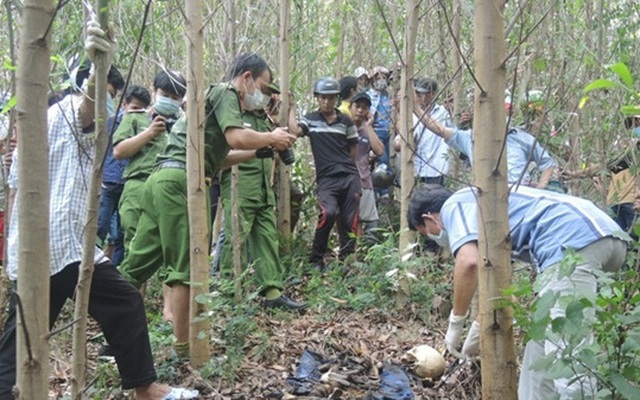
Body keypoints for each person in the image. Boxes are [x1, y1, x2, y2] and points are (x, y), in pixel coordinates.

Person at [0, 21, 197, 400]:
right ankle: (146, 388)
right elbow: (87, 112)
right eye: (106, 92)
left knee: (21, 332)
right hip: (60, 244)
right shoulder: (69, 111)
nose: (107, 101)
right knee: (123, 302)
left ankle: (143, 387)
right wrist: (96, 71)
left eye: (111, 94)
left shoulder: (39, 121)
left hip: (49, 245)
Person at [118, 52, 296, 356]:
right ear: (247, 79)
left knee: (137, 264)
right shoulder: (227, 92)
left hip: (160, 180)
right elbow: (237, 137)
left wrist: (260, 151)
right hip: (179, 184)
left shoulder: (212, 100)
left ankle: (113, 335)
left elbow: (220, 157)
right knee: (185, 268)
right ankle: (185, 348)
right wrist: (272, 136)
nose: (263, 96)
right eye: (265, 88)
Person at [408, 184, 628, 399]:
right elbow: (505, 295)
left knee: (566, 348)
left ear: (429, 219)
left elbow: (468, 263)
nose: (434, 239)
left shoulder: (453, 206)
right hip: (604, 237)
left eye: (426, 233)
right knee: (540, 349)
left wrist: (455, 323)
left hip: (571, 241)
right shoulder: (483, 211)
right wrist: (474, 339)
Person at [217, 82, 306, 310]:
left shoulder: (264, 120)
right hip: (241, 186)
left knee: (267, 237)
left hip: (264, 187)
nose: (266, 97)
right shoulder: (234, 117)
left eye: (270, 94)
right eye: (265, 92)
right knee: (234, 238)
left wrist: (277, 119)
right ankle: (226, 293)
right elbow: (224, 154)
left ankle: (272, 292)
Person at [114, 71, 186, 322]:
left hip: (170, 188)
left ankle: (169, 313)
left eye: (176, 97)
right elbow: (119, 151)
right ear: (154, 91)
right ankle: (132, 312)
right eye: (165, 95)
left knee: (172, 248)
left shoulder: (183, 123)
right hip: (137, 185)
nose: (170, 100)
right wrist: (149, 133)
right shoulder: (135, 118)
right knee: (136, 249)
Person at [289, 77, 361, 271]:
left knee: (349, 219)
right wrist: (291, 108)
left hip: (348, 176)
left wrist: (349, 170)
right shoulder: (311, 119)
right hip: (327, 179)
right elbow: (295, 131)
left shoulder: (345, 121)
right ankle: (316, 258)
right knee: (327, 213)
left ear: (337, 98)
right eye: (323, 97)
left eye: (331, 98)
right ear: (317, 98)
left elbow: (352, 149)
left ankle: (346, 261)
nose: (327, 101)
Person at [417, 96, 557, 188]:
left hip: (522, 194)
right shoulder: (471, 137)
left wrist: (540, 188)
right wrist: (414, 107)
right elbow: (440, 130)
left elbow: (547, 163)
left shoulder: (523, 138)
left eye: (505, 110)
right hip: (485, 195)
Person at [98, 85, 151, 266]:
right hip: (107, 184)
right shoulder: (112, 123)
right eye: (134, 108)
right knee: (99, 228)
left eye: (141, 109)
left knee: (122, 235)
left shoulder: (146, 125)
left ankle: (116, 274)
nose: (137, 113)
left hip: (128, 186)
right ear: (124, 105)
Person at [562, 115, 640, 236]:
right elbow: (597, 168)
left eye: (638, 125)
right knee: (617, 241)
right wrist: (572, 174)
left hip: (633, 203)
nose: (635, 129)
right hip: (615, 205)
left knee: (634, 242)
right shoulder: (620, 156)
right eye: (633, 126)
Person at [393, 77, 452, 186]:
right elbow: (397, 144)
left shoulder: (443, 113)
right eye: (417, 93)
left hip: (437, 170)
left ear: (432, 94)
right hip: (416, 171)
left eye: (423, 93)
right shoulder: (410, 115)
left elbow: (451, 135)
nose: (419, 96)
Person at [349, 92, 384, 241]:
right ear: (350, 107)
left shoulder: (366, 131)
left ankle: (363, 256)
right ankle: (351, 255)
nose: (360, 111)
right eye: (357, 106)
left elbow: (380, 150)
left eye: (364, 108)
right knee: (350, 221)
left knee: (367, 221)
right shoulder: (343, 128)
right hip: (346, 182)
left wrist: (368, 126)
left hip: (364, 181)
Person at [367, 67, 393, 194]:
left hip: (390, 132)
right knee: (382, 161)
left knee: (388, 162)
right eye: (378, 78)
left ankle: (385, 189)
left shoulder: (388, 96)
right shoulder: (369, 95)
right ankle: (381, 191)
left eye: (384, 78)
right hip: (376, 132)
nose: (381, 81)